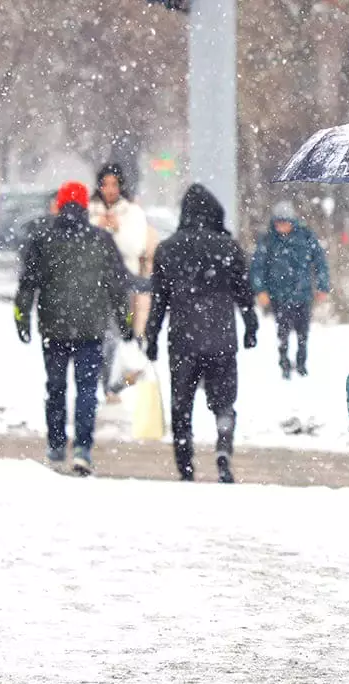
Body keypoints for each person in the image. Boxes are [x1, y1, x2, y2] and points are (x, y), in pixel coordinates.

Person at [14, 181, 132, 476]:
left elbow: (28, 284)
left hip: (53, 327)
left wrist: (22, 318)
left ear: (60, 204)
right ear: (83, 207)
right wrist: (125, 321)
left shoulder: (42, 239)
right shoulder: (102, 239)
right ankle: (82, 449)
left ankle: (55, 445)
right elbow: (118, 287)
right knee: (87, 390)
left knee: (55, 387)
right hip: (91, 328)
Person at [145, 184, 258, 483]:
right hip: (221, 337)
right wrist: (250, 326)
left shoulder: (167, 249)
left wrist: (152, 337)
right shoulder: (229, 247)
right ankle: (223, 447)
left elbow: (159, 300)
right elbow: (244, 293)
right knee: (224, 402)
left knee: (182, 404)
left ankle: (185, 463)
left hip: (183, 339)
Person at [88, 163, 155, 403]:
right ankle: (103, 383)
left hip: (122, 282)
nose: (109, 190)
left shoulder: (132, 213)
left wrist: (114, 230)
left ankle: (112, 383)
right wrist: (99, 226)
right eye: (105, 184)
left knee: (117, 333)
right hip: (93, 281)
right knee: (98, 335)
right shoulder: (90, 210)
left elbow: (135, 247)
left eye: (114, 184)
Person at [250, 201, 330, 379]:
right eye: (278, 223)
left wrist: (323, 285)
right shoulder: (268, 240)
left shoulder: (306, 236)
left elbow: (320, 262)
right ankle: (284, 362)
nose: (281, 226)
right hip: (279, 295)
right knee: (283, 331)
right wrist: (260, 289)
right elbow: (258, 266)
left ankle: (301, 363)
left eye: (284, 222)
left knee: (303, 332)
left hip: (303, 294)